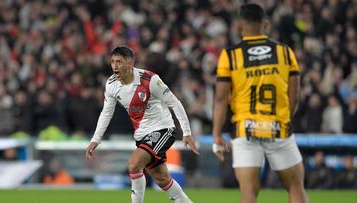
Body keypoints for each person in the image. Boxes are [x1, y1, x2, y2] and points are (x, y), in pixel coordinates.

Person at [212, 4, 308, 203]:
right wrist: (283, 119)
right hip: (278, 127)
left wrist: (216, 134)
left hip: (244, 129)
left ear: (239, 26)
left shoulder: (230, 55)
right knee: (295, 186)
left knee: (248, 191)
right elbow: (295, 95)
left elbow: (221, 98)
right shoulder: (285, 52)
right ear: (265, 24)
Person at [86, 46, 199, 203]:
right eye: (112, 62)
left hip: (163, 129)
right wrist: (95, 139)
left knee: (134, 164)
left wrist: (187, 132)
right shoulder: (111, 84)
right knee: (162, 179)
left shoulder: (149, 80)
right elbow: (106, 113)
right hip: (141, 135)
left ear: (130, 63)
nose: (114, 66)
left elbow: (174, 103)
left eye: (119, 62)